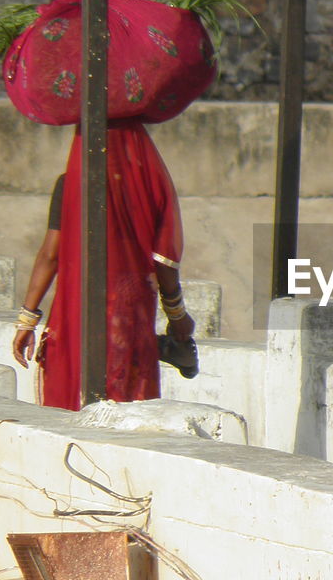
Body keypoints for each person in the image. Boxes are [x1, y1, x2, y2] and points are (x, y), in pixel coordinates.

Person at [11, 119, 195, 410]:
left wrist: (27, 319)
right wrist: (177, 315)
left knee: (73, 403)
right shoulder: (150, 185)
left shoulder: (70, 184)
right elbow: (165, 261)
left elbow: (50, 254)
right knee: (127, 403)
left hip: (76, 312)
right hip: (128, 315)